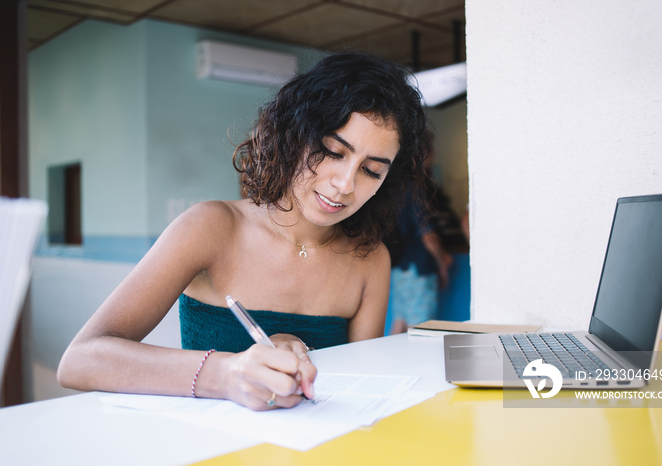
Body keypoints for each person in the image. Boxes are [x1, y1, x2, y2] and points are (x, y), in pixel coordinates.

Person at [57, 53, 429, 411]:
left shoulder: (369, 260)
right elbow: (81, 360)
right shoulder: (210, 227)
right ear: (294, 135)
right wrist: (226, 372)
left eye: (372, 170)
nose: (345, 184)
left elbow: (356, 391)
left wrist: (303, 359)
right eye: (332, 151)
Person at [386, 131, 453, 334]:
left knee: (399, 322)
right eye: (429, 149)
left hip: (400, 266)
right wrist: (442, 263)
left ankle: (386, 364)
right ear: (420, 152)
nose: (432, 154)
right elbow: (428, 234)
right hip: (419, 267)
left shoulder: (396, 185)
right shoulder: (418, 185)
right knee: (421, 329)